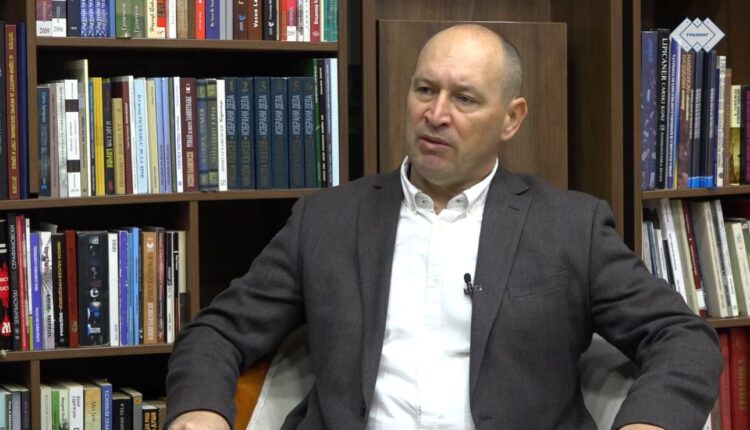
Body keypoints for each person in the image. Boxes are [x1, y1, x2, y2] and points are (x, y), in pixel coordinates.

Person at [166, 24, 721, 429]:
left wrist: (649, 422)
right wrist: (201, 410)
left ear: (511, 119)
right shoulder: (327, 219)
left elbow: (681, 336)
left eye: (465, 99)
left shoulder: (569, 226)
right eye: (425, 89)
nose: (436, 114)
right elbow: (219, 331)